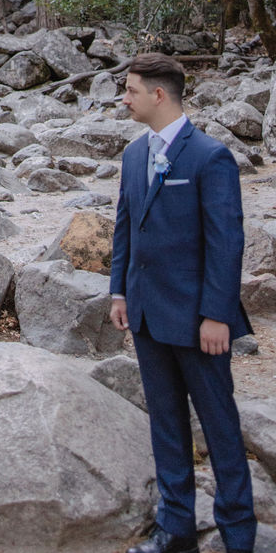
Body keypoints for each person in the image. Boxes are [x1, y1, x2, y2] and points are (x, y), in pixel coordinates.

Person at [110, 52, 255, 553]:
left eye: (129, 90)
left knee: (220, 430)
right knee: (166, 426)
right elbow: (125, 228)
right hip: (148, 316)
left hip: (198, 322)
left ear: (158, 94)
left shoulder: (209, 156)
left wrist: (217, 315)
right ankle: (175, 531)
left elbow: (225, 242)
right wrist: (119, 291)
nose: (122, 99)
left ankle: (238, 535)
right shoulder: (132, 156)